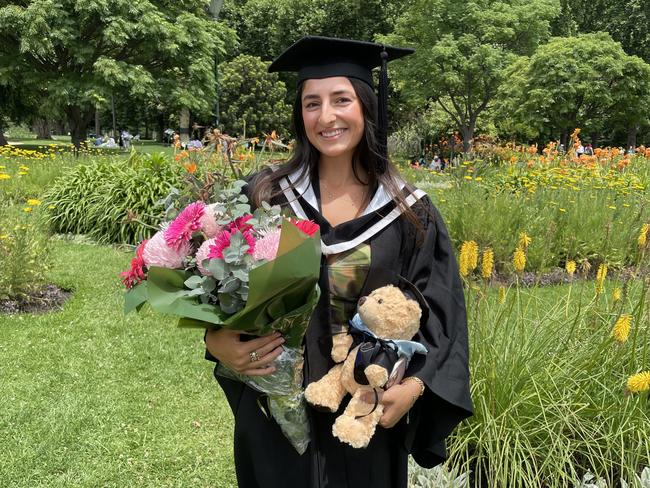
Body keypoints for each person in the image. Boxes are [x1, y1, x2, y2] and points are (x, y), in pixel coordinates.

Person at [203, 36, 473, 488]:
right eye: (312, 103)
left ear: (366, 106)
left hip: (365, 412)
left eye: (341, 100)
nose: (326, 116)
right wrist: (216, 341)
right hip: (275, 413)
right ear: (299, 113)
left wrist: (416, 386)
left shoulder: (409, 212)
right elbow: (219, 289)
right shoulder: (266, 198)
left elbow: (442, 312)